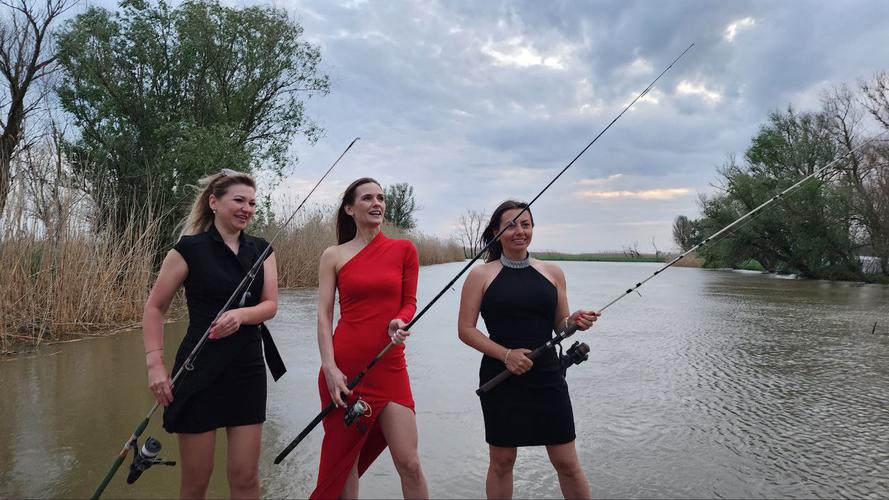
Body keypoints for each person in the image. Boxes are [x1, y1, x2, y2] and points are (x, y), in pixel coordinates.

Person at [142, 169, 284, 499]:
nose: (247, 209)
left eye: (252, 203)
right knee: (196, 481)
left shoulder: (262, 250)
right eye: (239, 200)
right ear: (214, 202)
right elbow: (155, 308)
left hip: (247, 370)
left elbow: (271, 305)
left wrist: (240, 315)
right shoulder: (188, 250)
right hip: (198, 370)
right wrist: (155, 365)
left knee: (246, 476)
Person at [458, 200, 598, 500]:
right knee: (502, 462)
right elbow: (465, 330)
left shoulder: (553, 272)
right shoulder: (480, 275)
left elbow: (560, 326)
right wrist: (506, 355)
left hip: (547, 375)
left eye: (526, 224)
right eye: (511, 225)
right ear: (496, 232)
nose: (519, 231)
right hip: (500, 376)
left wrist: (574, 322)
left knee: (567, 461)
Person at [311, 177, 429, 499]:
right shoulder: (333, 255)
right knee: (345, 465)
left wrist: (400, 320)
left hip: (389, 365)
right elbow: (323, 315)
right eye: (367, 198)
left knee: (409, 462)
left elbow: (409, 302)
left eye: (380, 198)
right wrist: (329, 368)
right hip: (344, 370)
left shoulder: (404, 249)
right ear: (349, 209)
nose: (377, 203)